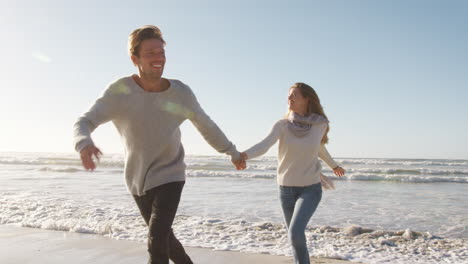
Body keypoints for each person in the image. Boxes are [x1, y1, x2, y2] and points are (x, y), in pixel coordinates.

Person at [73, 25, 244, 264]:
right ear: (135, 59)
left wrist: (232, 152)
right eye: (151, 53)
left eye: (161, 52)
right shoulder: (120, 91)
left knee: (156, 239)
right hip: (137, 179)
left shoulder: (180, 93)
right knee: (167, 241)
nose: (158, 58)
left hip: (171, 174)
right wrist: (84, 143)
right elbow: (85, 121)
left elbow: (207, 125)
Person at [238, 82, 345, 264]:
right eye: (288, 95)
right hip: (285, 189)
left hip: (310, 188)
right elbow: (264, 145)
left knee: (295, 232)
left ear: (306, 99)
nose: (289, 98)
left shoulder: (319, 125)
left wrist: (333, 165)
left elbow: (319, 149)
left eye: (294, 95)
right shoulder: (282, 125)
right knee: (295, 238)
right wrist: (243, 155)